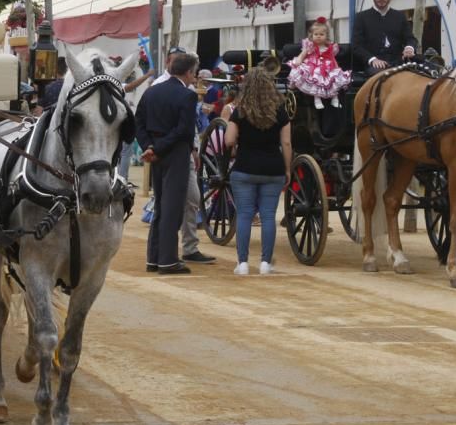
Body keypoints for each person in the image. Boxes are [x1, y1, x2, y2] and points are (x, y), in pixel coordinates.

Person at [220, 67, 292, 275]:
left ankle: (242, 263)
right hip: (273, 169)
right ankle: (265, 264)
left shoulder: (240, 111)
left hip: (244, 168)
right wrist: (287, 169)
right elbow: (286, 143)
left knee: (244, 214)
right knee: (268, 216)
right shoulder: (280, 111)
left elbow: (229, 140)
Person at [136, 52, 201, 275]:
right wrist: (157, 148)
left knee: (161, 206)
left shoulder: (152, 91)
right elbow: (183, 130)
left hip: (155, 153)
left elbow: (139, 122)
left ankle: (154, 258)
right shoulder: (187, 96)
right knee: (172, 208)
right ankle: (167, 260)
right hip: (174, 153)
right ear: (189, 72)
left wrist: (149, 147)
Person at [150, 46, 212, 265]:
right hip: (170, 151)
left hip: (179, 148)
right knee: (168, 205)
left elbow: (188, 126)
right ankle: (167, 254)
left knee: (190, 200)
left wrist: (193, 148)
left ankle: (185, 247)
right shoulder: (161, 86)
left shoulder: (185, 90)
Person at [351, 0, 418, 71]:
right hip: (374, 65)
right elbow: (356, 46)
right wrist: (373, 60)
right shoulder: (361, 17)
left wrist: (409, 47)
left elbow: (410, 38)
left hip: (399, 62)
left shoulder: (400, 16)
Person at [288, 17, 351, 109]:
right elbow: (302, 54)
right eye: (316, 34)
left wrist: (338, 69)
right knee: (316, 78)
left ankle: (335, 99)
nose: (318, 36)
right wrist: (299, 60)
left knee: (334, 78)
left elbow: (333, 59)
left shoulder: (330, 47)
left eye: (321, 34)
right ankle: (317, 99)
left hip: (327, 67)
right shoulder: (310, 46)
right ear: (312, 35)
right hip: (313, 66)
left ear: (326, 36)